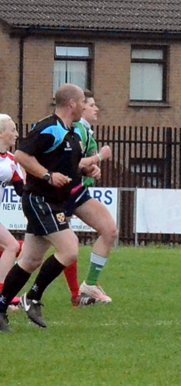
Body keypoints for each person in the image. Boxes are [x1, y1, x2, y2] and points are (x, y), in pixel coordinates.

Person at [1, 85, 97, 329]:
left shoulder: (73, 134)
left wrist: (88, 170)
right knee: (70, 249)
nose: (85, 107)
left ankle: (0, 308)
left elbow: (70, 167)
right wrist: (47, 176)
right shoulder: (49, 127)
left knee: (30, 259)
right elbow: (22, 155)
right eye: (83, 102)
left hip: (54, 201)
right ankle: (32, 297)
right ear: (72, 104)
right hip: (39, 199)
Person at [69, 92, 117, 305]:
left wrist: (91, 170)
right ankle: (13, 294)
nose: (96, 109)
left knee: (109, 230)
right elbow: (74, 162)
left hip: (78, 192)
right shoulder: (78, 129)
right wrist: (99, 157)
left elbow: (80, 165)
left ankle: (89, 285)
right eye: (91, 105)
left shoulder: (85, 130)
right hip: (63, 193)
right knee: (37, 253)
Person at [0, 115, 22, 328]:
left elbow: (22, 190)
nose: (16, 134)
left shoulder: (12, 160)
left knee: (11, 246)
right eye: (12, 129)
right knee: (11, 246)